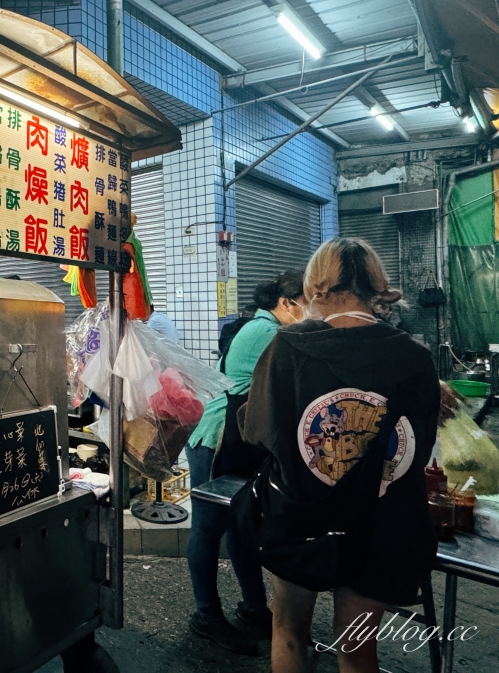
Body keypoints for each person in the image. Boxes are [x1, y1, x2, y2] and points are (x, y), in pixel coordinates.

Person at [240, 238, 439, 672]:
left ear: (314, 288)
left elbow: (259, 432)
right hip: (380, 522)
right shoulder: (415, 356)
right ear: (377, 288)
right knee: (357, 650)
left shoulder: (287, 347)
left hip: (301, 517)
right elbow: (416, 450)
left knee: (289, 633)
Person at [185, 270, 306, 654]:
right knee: (208, 529)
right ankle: (207, 615)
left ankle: (254, 608)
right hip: (217, 438)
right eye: (308, 303)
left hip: (241, 438)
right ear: (286, 303)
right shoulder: (269, 333)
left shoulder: (266, 327)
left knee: (240, 526)